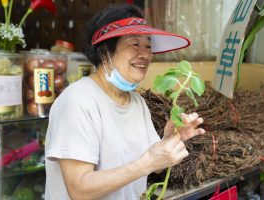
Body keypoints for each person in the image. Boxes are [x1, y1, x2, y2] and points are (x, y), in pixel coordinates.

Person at [45, 4, 205, 200]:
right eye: (134, 44)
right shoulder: (77, 101)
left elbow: (153, 164)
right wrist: (147, 163)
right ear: (105, 51)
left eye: (148, 46)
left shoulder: (137, 102)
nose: (145, 54)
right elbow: (79, 189)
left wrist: (171, 140)